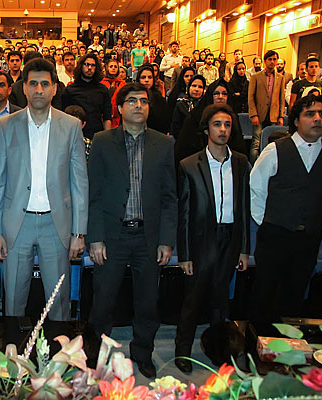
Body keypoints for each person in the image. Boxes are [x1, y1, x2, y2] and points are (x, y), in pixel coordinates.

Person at [0, 58, 88, 348]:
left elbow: (79, 183)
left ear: (55, 88)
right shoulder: (7, 125)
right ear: (24, 88)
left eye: (45, 84)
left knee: (58, 299)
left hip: (56, 225)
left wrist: (79, 232)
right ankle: (14, 355)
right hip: (16, 225)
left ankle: (59, 357)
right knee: (13, 297)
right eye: (33, 83)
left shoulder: (71, 126)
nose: (39, 89)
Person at [86, 82, 177, 379]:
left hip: (148, 238)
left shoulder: (164, 144)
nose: (139, 105)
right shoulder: (102, 141)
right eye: (132, 100)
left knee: (148, 303)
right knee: (103, 302)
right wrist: (95, 237)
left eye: (144, 101)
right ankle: (97, 358)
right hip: (112, 236)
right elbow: (94, 194)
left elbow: (169, 197)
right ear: (120, 107)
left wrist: (166, 240)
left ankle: (142, 353)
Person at [175, 103, 250, 372]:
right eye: (217, 124)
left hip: (229, 238)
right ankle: (182, 352)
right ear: (207, 129)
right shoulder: (189, 165)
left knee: (221, 301)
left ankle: (220, 352)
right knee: (193, 300)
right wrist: (184, 254)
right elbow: (184, 213)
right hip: (201, 240)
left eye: (227, 125)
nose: (223, 130)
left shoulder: (241, 162)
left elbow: (244, 208)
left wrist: (244, 248)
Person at [249, 94, 322, 334]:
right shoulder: (276, 150)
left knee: (294, 298)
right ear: (296, 121)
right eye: (310, 114)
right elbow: (256, 189)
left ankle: (287, 348)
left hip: (308, 239)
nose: (317, 119)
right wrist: (269, 222)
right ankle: (258, 345)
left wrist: (309, 215)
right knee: (264, 296)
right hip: (275, 235)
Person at [175, 79, 247, 164]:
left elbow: (239, 146)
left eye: (224, 94)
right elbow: (183, 148)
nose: (220, 97)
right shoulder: (196, 117)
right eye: (216, 93)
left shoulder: (233, 118)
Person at [62, 53, 112, 139]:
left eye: (93, 65)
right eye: (86, 64)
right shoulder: (70, 90)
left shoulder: (103, 90)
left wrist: (108, 138)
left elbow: (107, 117)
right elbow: (63, 117)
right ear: (81, 66)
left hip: (97, 135)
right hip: (75, 135)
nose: (89, 68)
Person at [248, 50, 285, 162]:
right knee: (256, 142)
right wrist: (253, 114)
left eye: (274, 59)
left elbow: (281, 98)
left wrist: (281, 116)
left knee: (272, 143)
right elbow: (251, 97)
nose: (272, 62)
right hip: (259, 114)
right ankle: (253, 166)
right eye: (270, 59)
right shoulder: (256, 77)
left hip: (273, 115)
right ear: (265, 61)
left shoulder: (280, 78)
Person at [170, 74, 206, 138]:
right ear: (189, 87)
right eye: (194, 86)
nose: (196, 89)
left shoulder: (206, 107)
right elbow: (175, 129)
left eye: (200, 87)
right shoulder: (180, 105)